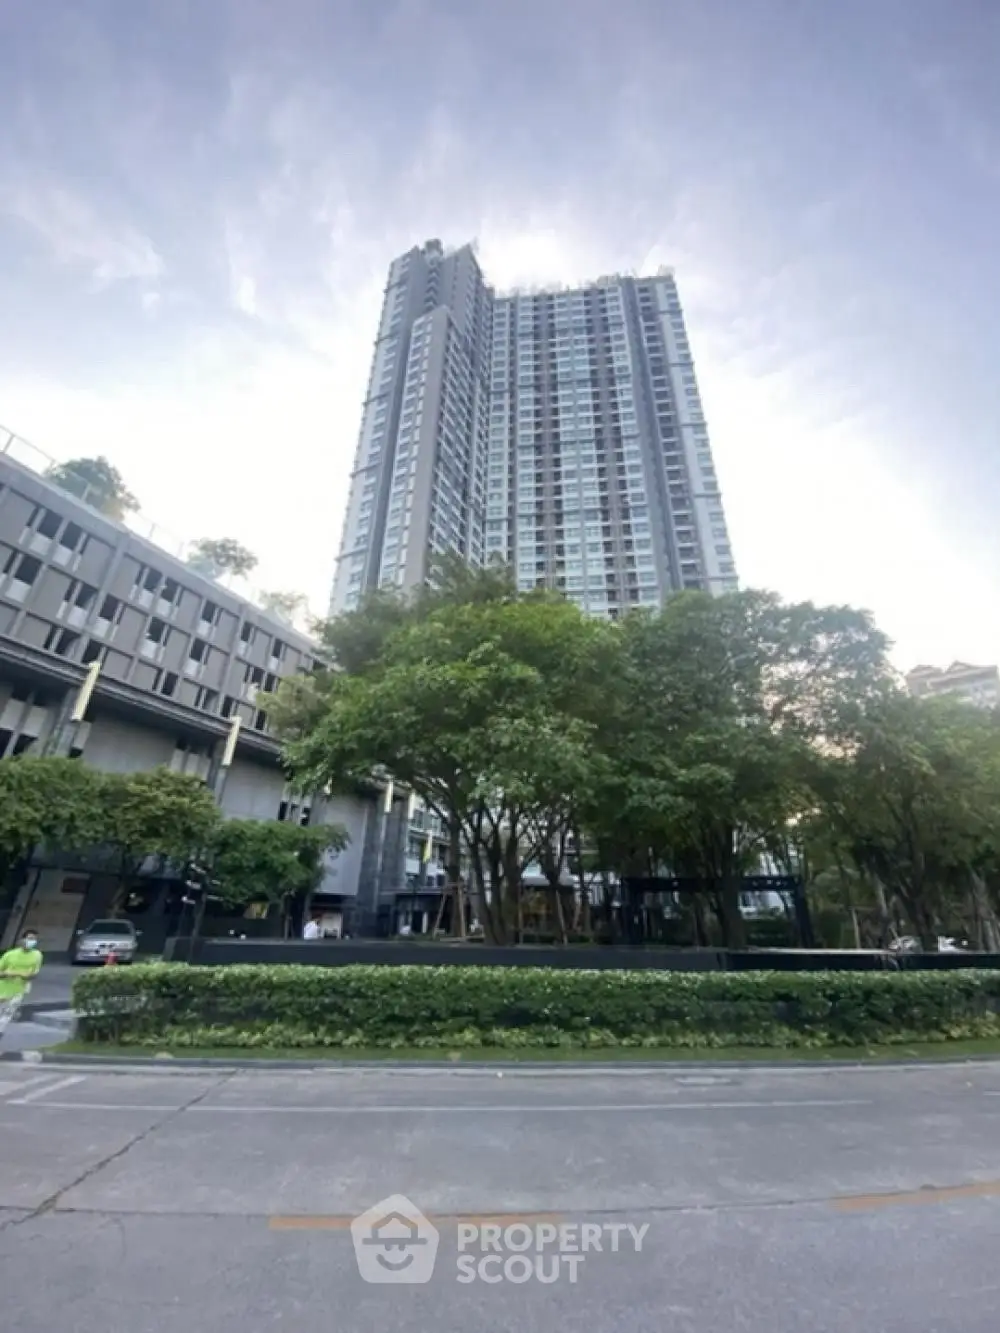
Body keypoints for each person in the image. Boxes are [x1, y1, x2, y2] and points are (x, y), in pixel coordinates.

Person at [0, 932, 44, 1032]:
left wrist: (26, 975)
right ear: (22, 940)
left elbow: (34, 974)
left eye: (33, 940)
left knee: (8, 1013)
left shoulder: (37, 955)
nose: (31, 942)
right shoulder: (10, 954)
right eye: (29, 939)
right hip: (3, 988)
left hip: (19, 989)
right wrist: (9, 973)